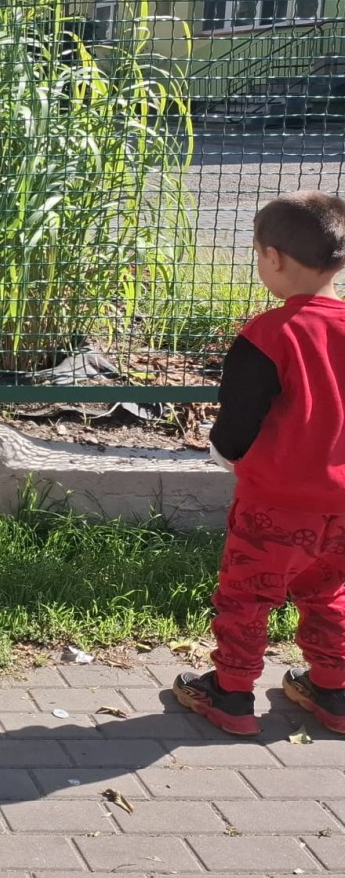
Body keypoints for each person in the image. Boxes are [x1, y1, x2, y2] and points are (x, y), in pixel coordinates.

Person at [175, 191, 345, 737]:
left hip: (277, 504)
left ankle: (231, 693)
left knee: (247, 596)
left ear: (273, 257)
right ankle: (334, 689)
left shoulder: (270, 333)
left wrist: (225, 453)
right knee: (330, 592)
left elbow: (240, 417)